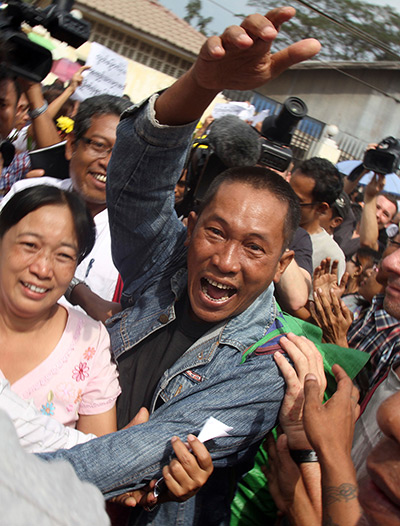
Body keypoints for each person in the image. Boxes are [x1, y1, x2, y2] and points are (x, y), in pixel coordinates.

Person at [38, 9, 321, 526]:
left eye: (255, 248)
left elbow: (144, 449)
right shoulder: (167, 264)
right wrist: (201, 83)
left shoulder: (268, 364)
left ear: (283, 262)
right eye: (216, 232)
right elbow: (136, 184)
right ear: (189, 227)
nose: (227, 261)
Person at [0, 185, 120, 434]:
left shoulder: (90, 344)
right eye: (30, 245)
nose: (42, 269)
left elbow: (97, 460)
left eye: (63, 255)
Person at [2, 94, 131, 321]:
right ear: (71, 145)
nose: (108, 162)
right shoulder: (26, 194)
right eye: (99, 145)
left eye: (122, 154)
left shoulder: (135, 238)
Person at [289, 157, 346, 286]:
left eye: (296, 200)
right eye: (286, 189)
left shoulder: (330, 256)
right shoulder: (270, 221)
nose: (285, 199)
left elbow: (315, 305)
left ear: (321, 208)